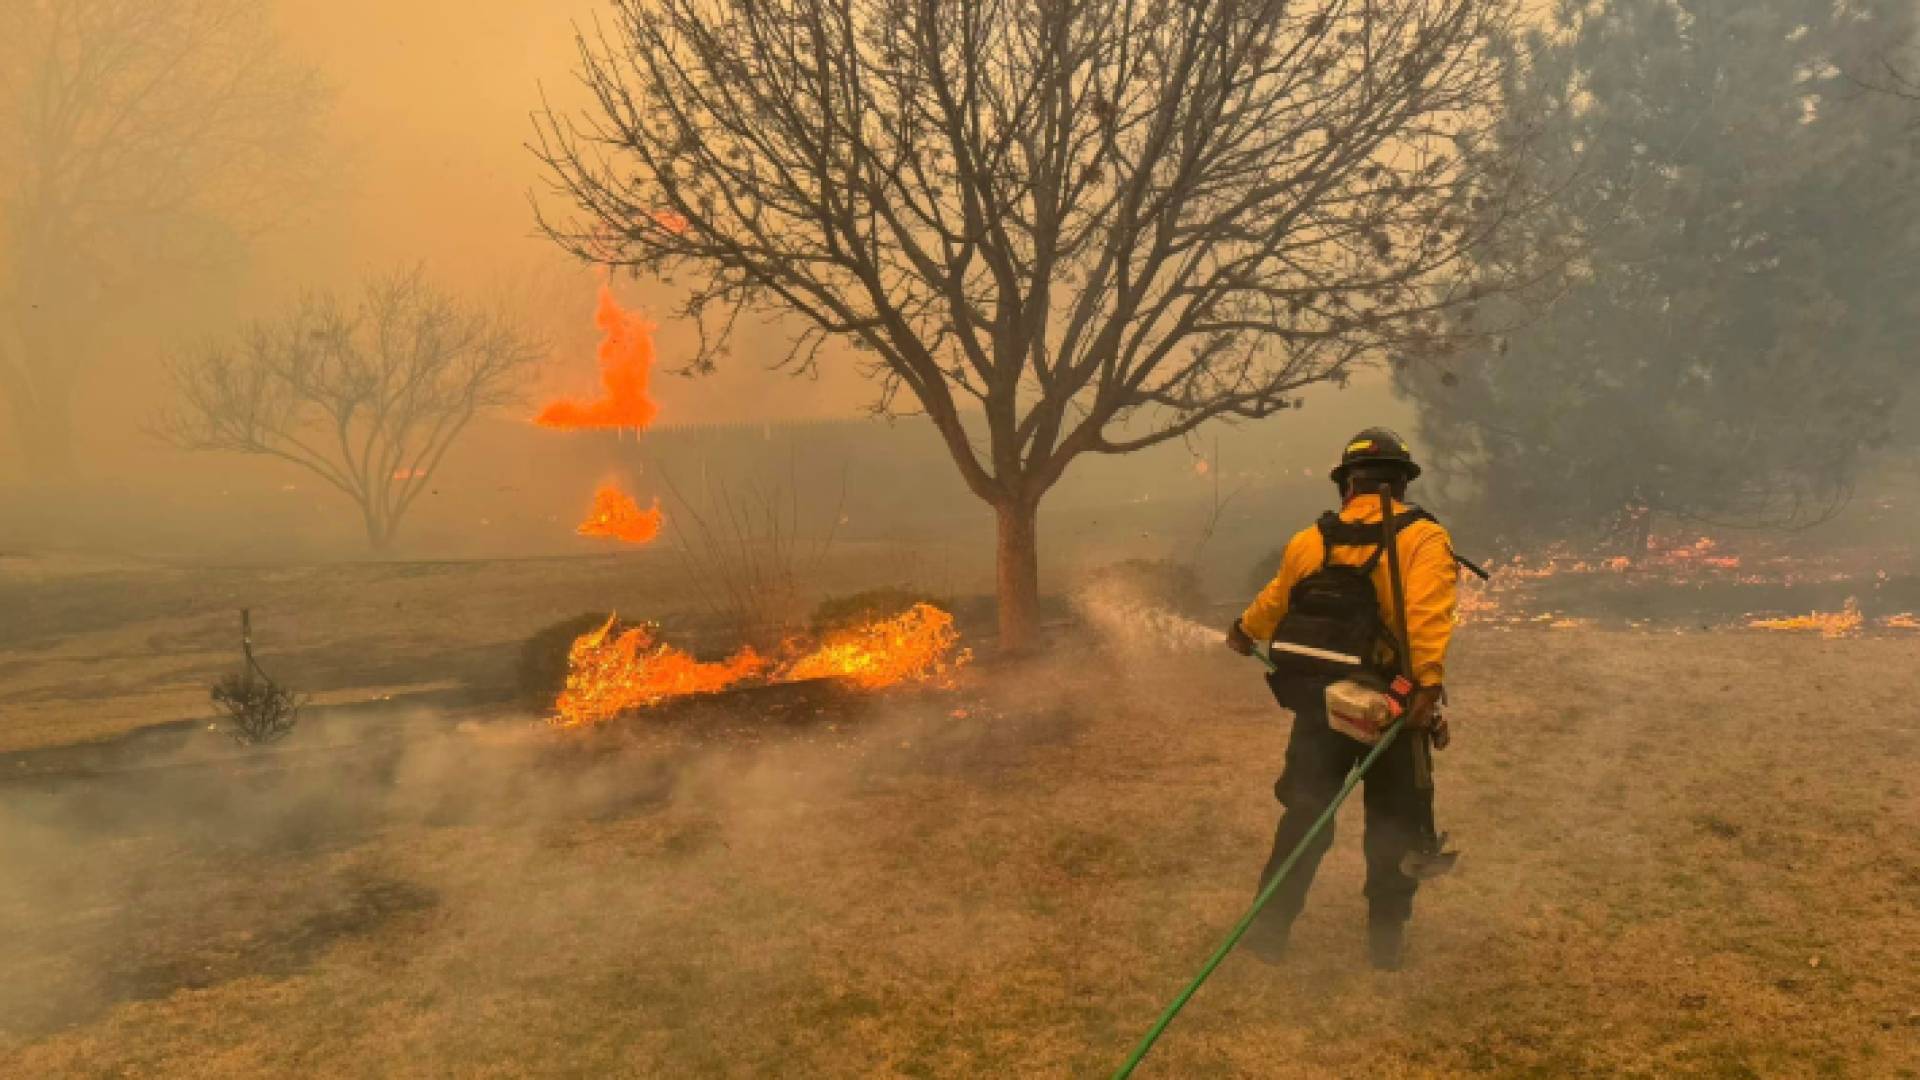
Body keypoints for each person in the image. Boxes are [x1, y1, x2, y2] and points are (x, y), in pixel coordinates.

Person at [1225, 427, 1459, 971]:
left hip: (1320, 703)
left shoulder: (1311, 540)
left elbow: (1276, 600)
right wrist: (1425, 686)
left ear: (1346, 487)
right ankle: (1385, 942)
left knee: (1305, 815)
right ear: (1400, 482)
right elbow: (1426, 618)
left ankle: (1269, 931)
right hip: (1394, 707)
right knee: (1394, 823)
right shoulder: (1423, 538)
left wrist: (1244, 629)